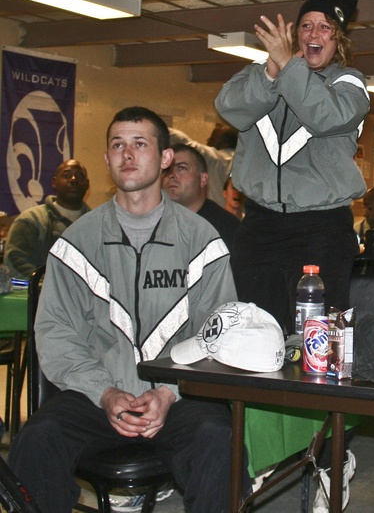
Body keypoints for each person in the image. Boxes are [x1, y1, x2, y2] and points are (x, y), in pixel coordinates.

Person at [8, 106, 238, 513]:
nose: (127, 155)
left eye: (139, 144)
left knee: (219, 441)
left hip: (179, 399)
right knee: (37, 437)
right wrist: (106, 392)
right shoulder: (76, 243)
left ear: (165, 158)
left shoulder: (201, 240)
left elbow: (217, 331)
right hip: (98, 398)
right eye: (117, 145)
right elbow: (56, 333)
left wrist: (168, 393)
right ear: (106, 159)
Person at [215, 0, 369, 332]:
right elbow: (231, 108)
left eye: (326, 27)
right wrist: (272, 72)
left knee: (318, 334)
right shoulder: (259, 73)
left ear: (338, 40)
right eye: (307, 26)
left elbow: (326, 115)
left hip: (322, 229)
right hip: (259, 227)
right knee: (256, 330)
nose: (314, 34)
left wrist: (289, 67)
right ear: (294, 34)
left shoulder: (349, 84)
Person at [0, 159, 90, 287]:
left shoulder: (100, 225)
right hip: (42, 303)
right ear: (54, 182)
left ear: (87, 184)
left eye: (79, 176)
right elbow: (18, 262)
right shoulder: (30, 220)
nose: (74, 179)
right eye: (67, 175)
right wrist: (51, 288)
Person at [163, 143, 241, 250]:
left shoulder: (225, 228)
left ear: (203, 179)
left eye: (181, 168)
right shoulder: (152, 222)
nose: (171, 175)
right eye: (167, 169)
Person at [168, 123, 237, 209]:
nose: (207, 142)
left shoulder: (215, 158)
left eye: (212, 139)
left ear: (224, 145)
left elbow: (181, 140)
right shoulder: (244, 163)